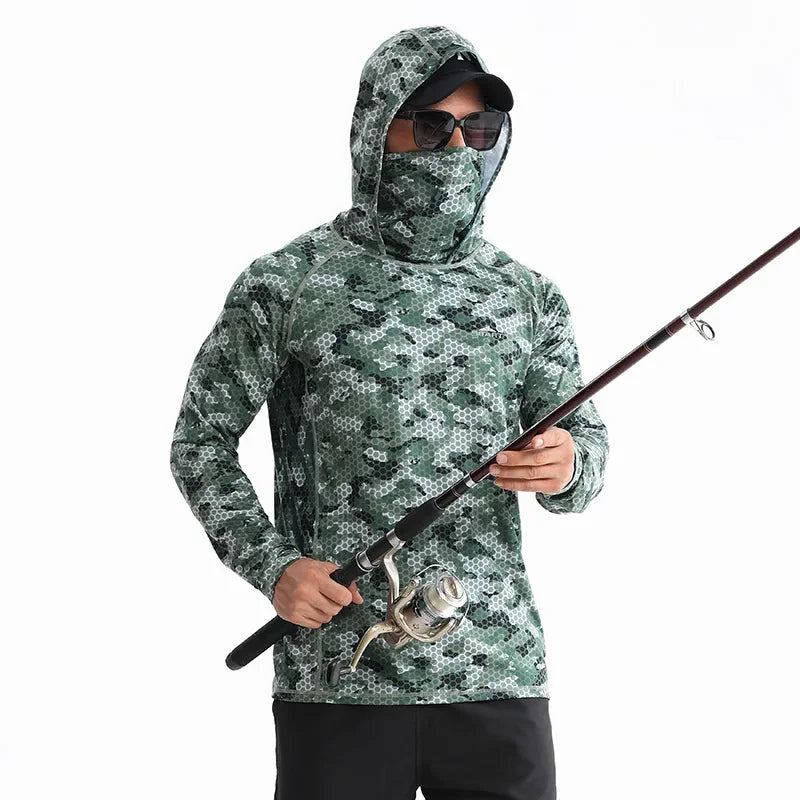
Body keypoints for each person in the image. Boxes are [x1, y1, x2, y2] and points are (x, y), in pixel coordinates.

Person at [170, 24, 609, 800]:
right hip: (338, 677)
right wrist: (274, 567)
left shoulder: (527, 297)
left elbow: (586, 449)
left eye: (478, 129)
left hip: (496, 671)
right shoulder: (289, 283)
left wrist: (568, 463)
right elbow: (199, 443)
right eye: (433, 127)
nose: (457, 150)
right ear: (377, 131)